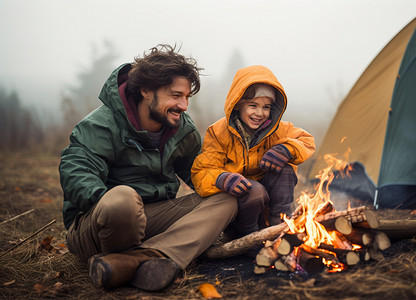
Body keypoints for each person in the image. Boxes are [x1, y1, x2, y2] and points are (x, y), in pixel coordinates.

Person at [59, 44, 238, 292]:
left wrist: (226, 179)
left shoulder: (182, 128)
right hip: (98, 224)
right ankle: (140, 254)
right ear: (145, 90)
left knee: (226, 199)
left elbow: (199, 172)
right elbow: (77, 172)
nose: (184, 105)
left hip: (151, 217)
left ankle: (145, 258)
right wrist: (108, 202)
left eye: (187, 97)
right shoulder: (101, 124)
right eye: (176, 95)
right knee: (123, 199)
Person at [191, 65, 315, 243]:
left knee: (285, 171)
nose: (260, 113)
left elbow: (307, 141)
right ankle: (247, 238)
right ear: (238, 104)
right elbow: (202, 171)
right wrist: (223, 178)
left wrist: (287, 149)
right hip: (239, 206)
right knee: (254, 190)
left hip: (269, 203)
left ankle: (280, 228)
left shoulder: (279, 129)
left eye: (266, 107)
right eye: (253, 106)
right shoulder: (218, 132)